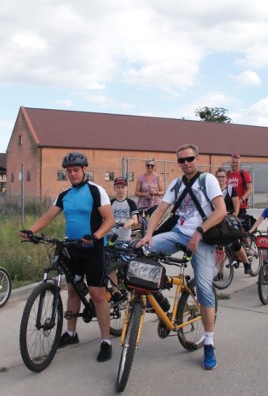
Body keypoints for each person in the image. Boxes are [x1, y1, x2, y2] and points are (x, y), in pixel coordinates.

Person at [19, 152, 115, 362]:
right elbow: (48, 216)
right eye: (69, 171)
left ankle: (106, 341)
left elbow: (109, 220)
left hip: (93, 247)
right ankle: (71, 333)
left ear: (83, 170)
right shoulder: (64, 195)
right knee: (72, 290)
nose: (72, 174)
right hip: (72, 247)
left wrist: (96, 235)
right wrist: (31, 230)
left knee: (97, 294)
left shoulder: (96, 191)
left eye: (76, 170)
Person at [137, 144, 226, 370]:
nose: (186, 163)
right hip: (178, 234)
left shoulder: (208, 180)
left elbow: (221, 211)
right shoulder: (177, 184)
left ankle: (208, 342)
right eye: (181, 160)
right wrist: (148, 235)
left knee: (204, 288)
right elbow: (160, 210)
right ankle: (160, 296)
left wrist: (199, 232)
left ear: (197, 158)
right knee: (139, 253)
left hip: (203, 240)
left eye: (190, 159)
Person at [215, 168, 253, 276]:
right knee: (218, 246)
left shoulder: (231, 190)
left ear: (226, 178)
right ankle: (220, 271)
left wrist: (233, 218)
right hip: (217, 220)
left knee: (234, 243)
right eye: (218, 176)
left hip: (228, 220)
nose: (220, 179)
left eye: (223, 176)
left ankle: (246, 263)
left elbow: (236, 206)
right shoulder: (213, 190)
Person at [108, 177, 139, 242]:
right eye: (118, 187)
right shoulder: (110, 203)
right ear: (114, 188)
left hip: (125, 237)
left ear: (127, 188)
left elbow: (136, 221)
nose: (120, 190)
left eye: (123, 187)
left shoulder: (131, 203)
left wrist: (131, 220)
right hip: (110, 236)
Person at [226, 153, 253, 218]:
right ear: (230, 162)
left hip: (241, 206)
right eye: (233, 162)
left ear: (239, 163)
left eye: (236, 163)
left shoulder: (244, 174)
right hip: (229, 206)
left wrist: (242, 199)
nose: (235, 164)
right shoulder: (226, 175)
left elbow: (250, 189)